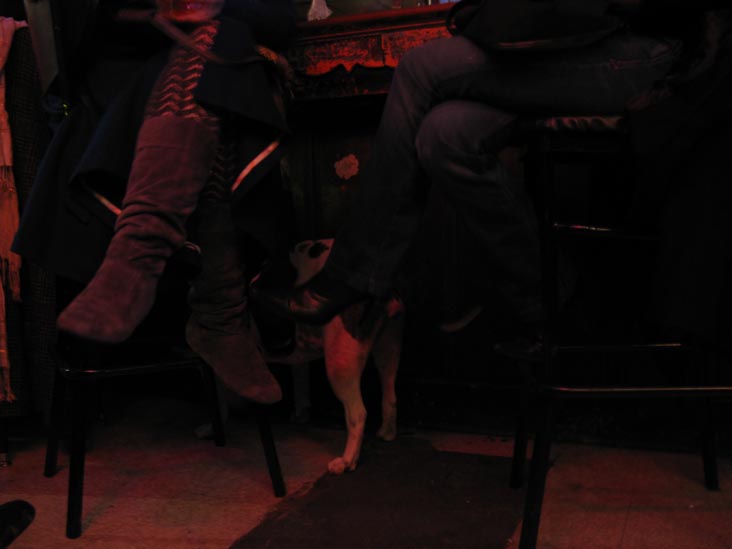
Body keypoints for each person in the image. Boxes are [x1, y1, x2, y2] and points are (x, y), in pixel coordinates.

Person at [251, 0, 732, 350]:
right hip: (576, 40)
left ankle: (351, 277)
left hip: (649, 52)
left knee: (420, 67)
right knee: (445, 134)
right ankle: (551, 297)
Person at [13, 0, 297, 403]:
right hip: (125, 91)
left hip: (219, 75)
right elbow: (79, 33)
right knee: (215, 75)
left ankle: (135, 261)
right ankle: (220, 310)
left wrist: (214, 5)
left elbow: (282, 19)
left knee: (218, 46)